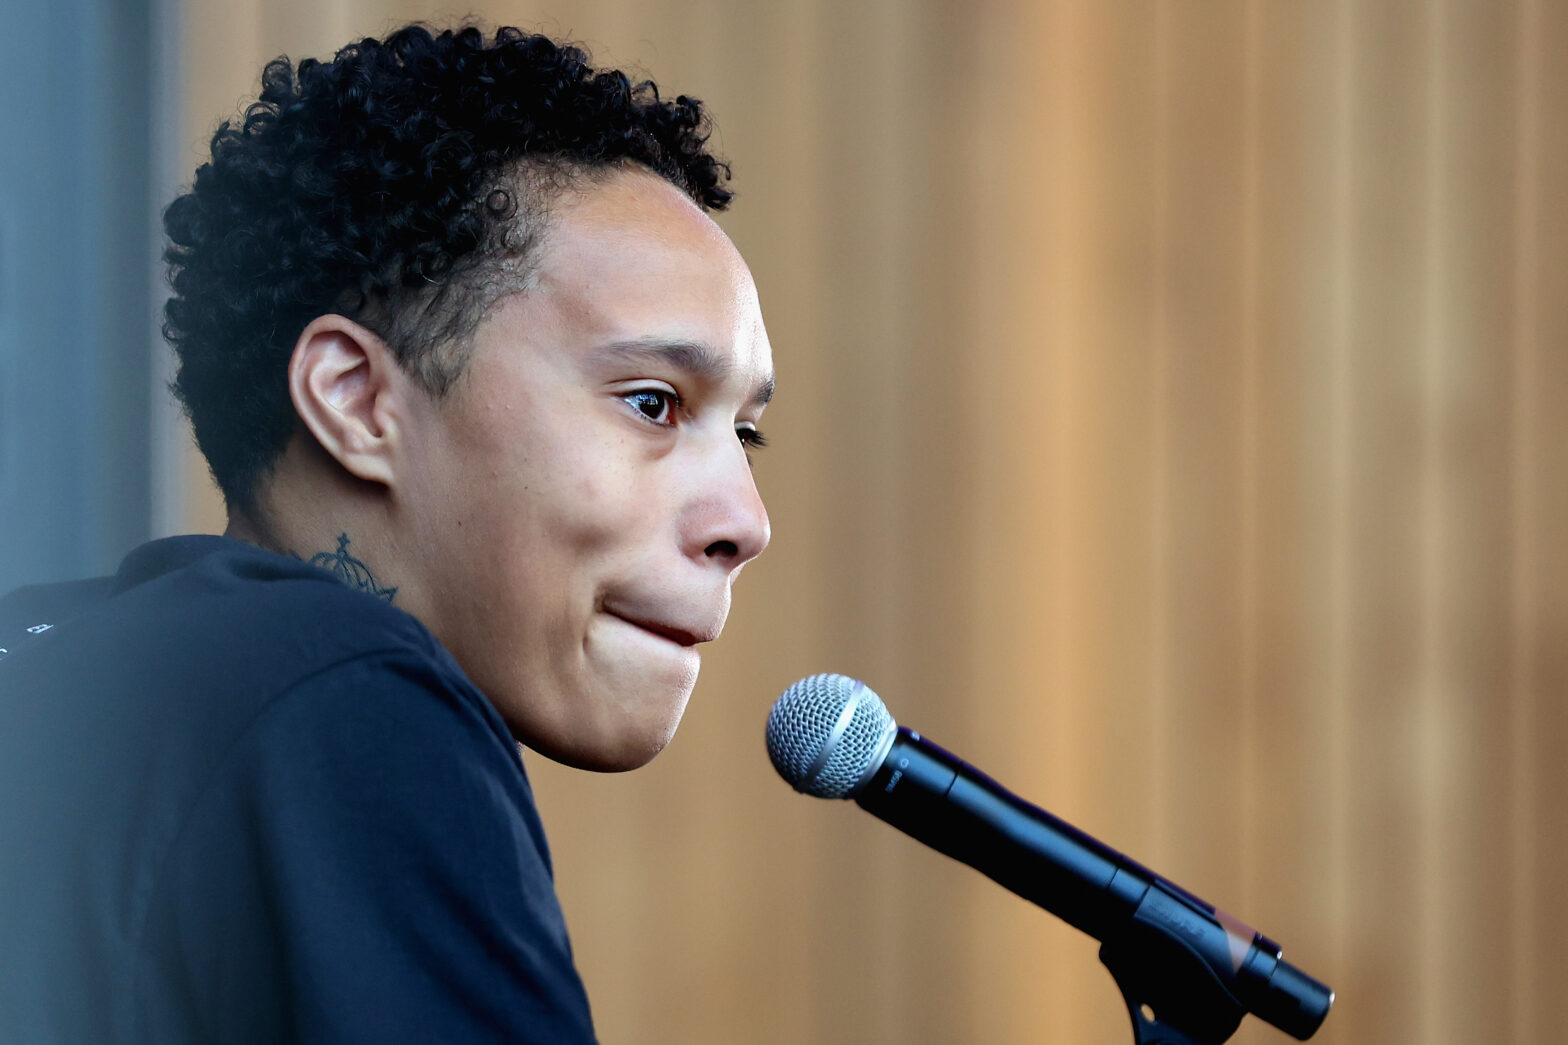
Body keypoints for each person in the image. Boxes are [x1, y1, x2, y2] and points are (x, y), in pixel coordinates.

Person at [0, 22, 772, 1043]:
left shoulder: (57, 662)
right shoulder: (343, 690)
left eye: (747, 432)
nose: (745, 523)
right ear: (357, 398)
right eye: (650, 402)